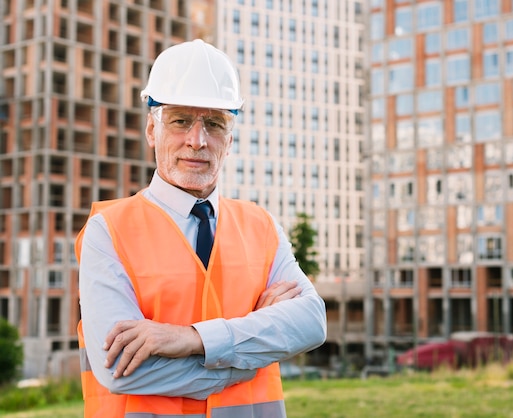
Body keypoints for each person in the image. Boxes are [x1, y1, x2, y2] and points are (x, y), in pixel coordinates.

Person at [76, 39, 327, 418]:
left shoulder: (261, 226)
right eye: (180, 121)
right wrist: (251, 357)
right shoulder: (107, 231)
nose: (197, 140)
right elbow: (121, 370)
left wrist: (190, 339)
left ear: (230, 138)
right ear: (151, 131)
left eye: (214, 123)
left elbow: (311, 322)